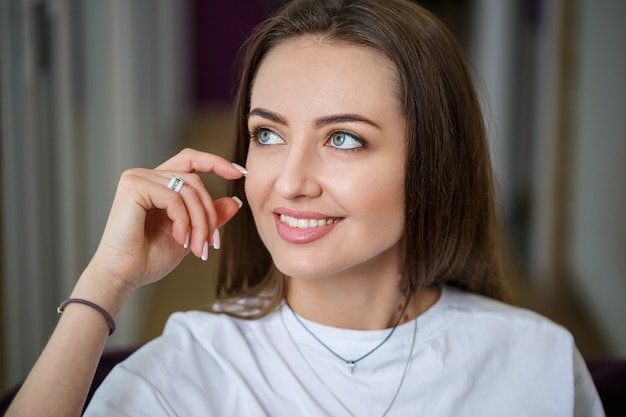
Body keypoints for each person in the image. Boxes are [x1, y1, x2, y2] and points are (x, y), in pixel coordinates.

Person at [5, 0, 605, 416]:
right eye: (268, 134)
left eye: (343, 139)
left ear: (432, 161)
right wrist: (106, 282)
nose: (288, 182)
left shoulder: (540, 363)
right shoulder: (189, 368)